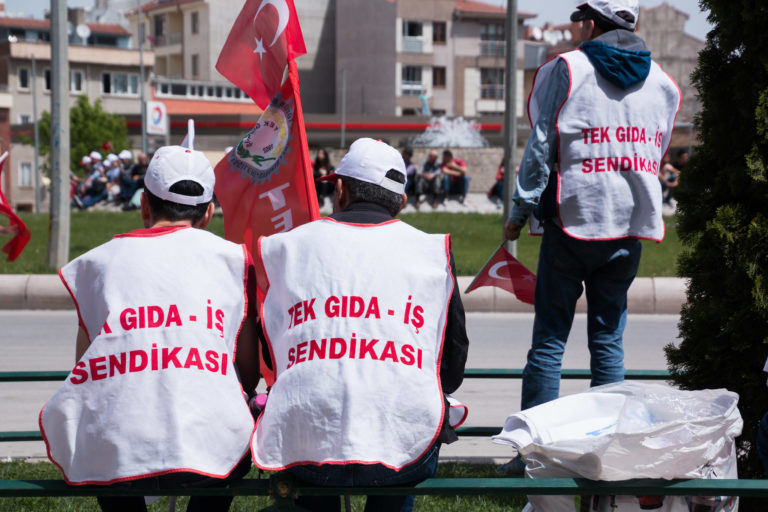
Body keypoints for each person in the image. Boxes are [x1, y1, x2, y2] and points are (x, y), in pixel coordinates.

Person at [501, 0, 680, 471]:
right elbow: (656, 150)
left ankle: (533, 458)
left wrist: (520, 210)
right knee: (608, 343)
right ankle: (607, 456)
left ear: (593, 22)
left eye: (582, 17)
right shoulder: (662, 81)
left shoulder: (568, 67)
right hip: (627, 229)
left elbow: (542, 143)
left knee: (548, 344)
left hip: (573, 222)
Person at [251, 137, 469, 512]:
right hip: (403, 446)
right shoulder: (430, 252)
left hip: (307, 440)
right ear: (400, 201)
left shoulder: (287, 246)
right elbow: (453, 359)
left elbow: (269, 350)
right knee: (405, 451)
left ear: (340, 190)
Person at [40, 145, 259, 512]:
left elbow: (86, 367)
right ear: (208, 213)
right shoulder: (234, 261)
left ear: (144, 205)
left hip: (117, 450)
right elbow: (248, 374)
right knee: (230, 444)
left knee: (105, 438)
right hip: (210, 446)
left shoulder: (95, 265)